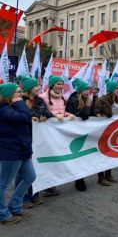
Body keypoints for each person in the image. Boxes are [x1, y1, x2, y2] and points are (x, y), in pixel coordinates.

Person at [0, 83, 36, 225]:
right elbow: (24, 118)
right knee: (3, 184)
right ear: (9, 95)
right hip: (11, 151)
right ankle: (3, 214)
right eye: (18, 92)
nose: (21, 94)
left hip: (22, 149)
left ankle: (14, 206)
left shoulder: (10, 107)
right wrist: (20, 103)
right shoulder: (3, 110)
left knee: (30, 176)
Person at [40, 75, 76, 196]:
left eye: (62, 84)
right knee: (47, 159)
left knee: (56, 158)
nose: (61, 86)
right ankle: (45, 186)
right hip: (46, 133)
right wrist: (55, 115)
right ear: (52, 85)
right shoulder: (43, 97)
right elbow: (43, 112)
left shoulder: (63, 97)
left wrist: (68, 114)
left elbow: (62, 111)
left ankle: (52, 184)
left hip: (58, 133)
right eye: (58, 84)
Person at [20, 76, 52, 208]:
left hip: (37, 139)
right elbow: (22, 116)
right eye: (36, 86)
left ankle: (34, 194)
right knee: (24, 172)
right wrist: (32, 116)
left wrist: (45, 116)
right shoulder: (20, 101)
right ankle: (24, 198)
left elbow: (47, 112)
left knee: (35, 169)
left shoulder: (39, 100)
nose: (39, 87)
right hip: (24, 138)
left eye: (39, 86)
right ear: (29, 89)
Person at [65, 79, 93, 191]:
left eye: (88, 89)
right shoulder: (72, 100)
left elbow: (92, 114)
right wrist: (78, 114)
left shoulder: (90, 100)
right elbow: (68, 114)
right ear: (80, 90)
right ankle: (79, 179)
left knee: (84, 156)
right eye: (86, 89)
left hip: (86, 131)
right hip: (75, 132)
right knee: (77, 155)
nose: (88, 91)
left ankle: (81, 176)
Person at [94, 79, 118, 185]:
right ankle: (101, 177)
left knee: (111, 153)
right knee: (101, 154)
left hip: (114, 130)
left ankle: (108, 175)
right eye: (116, 88)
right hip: (104, 130)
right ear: (111, 90)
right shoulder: (101, 100)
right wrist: (98, 115)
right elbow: (96, 112)